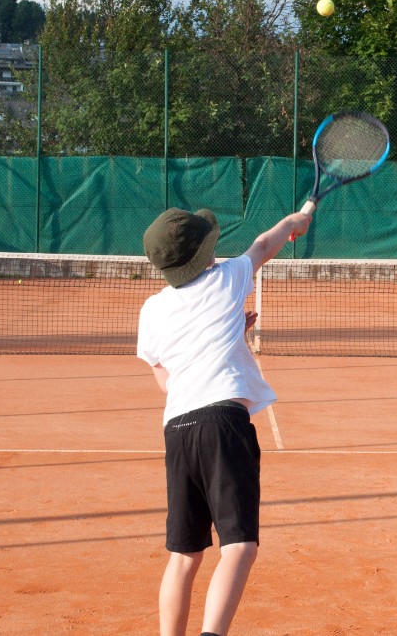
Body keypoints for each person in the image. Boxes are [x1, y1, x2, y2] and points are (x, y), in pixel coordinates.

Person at [137, 206, 311, 636]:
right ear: (204, 253)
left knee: (184, 556)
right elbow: (265, 245)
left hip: (178, 430)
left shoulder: (152, 309)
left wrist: (233, 335)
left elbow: (168, 381)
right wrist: (294, 222)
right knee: (239, 547)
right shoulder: (227, 277)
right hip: (223, 426)